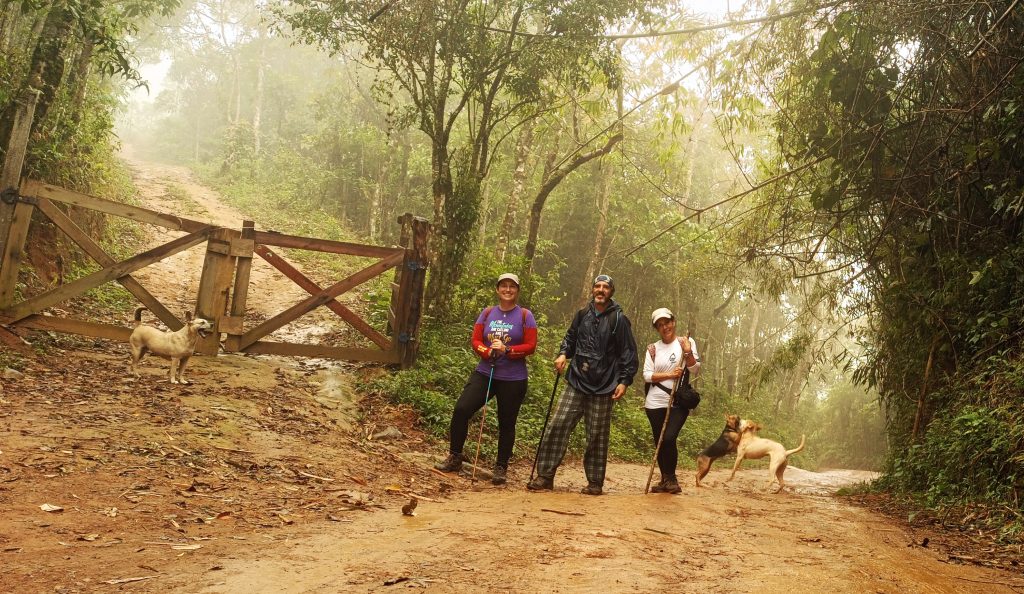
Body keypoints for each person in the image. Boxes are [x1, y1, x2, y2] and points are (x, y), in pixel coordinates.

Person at [527, 274, 638, 495]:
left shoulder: (619, 320)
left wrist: (624, 381)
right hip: (577, 379)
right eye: (597, 286)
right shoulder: (582, 315)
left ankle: (595, 483)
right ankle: (545, 476)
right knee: (558, 424)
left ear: (611, 292)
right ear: (592, 290)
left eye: (605, 287)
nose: (601, 290)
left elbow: (628, 353)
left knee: (597, 434)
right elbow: (570, 337)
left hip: (604, 385)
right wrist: (562, 354)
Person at [435, 273, 537, 485]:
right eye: (503, 286)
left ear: (517, 290)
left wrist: (507, 349)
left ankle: (500, 467)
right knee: (462, 409)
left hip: (513, 378)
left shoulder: (525, 316)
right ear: (498, 289)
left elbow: (530, 346)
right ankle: (455, 456)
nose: (507, 290)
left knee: (507, 423)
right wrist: (487, 351)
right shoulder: (488, 312)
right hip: (486, 371)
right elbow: (475, 340)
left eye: (512, 287)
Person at [643, 307, 701, 494]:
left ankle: (672, 478)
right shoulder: (653, 348)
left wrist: (687, 352)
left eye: (667, 322)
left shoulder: (686, 341)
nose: (664, 327)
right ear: (657, 329)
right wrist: (669, 374)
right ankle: (665, 480)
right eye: (660, 325)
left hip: (677, 402)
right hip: (654, 403)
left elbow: (694, 369)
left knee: (669, 437)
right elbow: (647, 375)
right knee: (659, 441)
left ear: (673, 322)